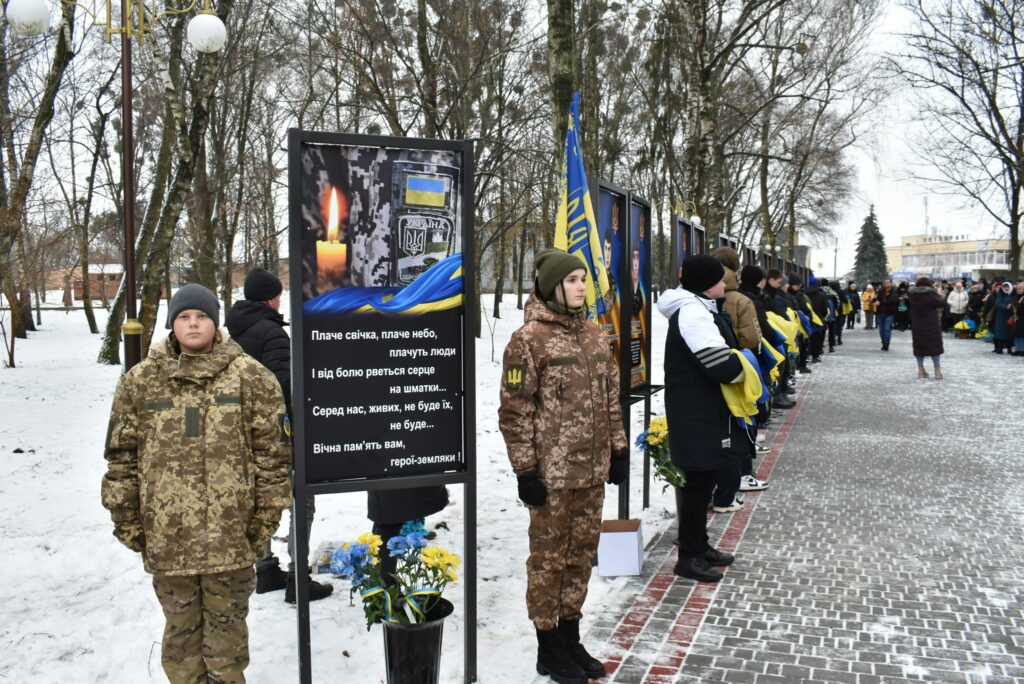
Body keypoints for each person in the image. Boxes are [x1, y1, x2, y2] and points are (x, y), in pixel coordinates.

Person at [102, 284, 291, 683]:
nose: (193, 324)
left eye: (202, 316)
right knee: (181, 645)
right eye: (184, 317)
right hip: (169, 540)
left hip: (231, 540)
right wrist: (128, 521)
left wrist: (263, 525)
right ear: (172, 324)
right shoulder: (141, 381)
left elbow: (272, 457)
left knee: (227, 649)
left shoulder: (251, 378)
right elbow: (122, 455)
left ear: (216, 322)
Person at [499, 248, 629, 684]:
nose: (580, 287)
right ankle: (548, 645)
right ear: (551, 285)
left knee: (579, 558)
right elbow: (514, 411)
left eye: (583, 279)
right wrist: (525, 472)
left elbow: (611, 398)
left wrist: (619, 449)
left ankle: (571, 637)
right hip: (551, 478)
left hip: (591, 472)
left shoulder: (594, 334)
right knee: (548, 562)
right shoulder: (528, 340)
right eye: (572, 280)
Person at [225, 268, 333, 603]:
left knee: (261, 498)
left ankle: (266, 568)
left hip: (244, 432)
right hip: (277, 432)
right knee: (302, 497)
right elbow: (282, 384)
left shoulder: (233, 331)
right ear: (271, 298)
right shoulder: (271, 333)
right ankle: (298, 578)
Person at [657, 255, 746, 584]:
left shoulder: (698, 308)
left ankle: (698, 545)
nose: (725, 284)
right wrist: (745, 368)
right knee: (697, 485)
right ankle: (689, 557)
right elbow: (719, 364)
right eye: (720, 280)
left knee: (704, 479)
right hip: (696, 410)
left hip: (699, 408)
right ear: (706, 283)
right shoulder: (693, 312)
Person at [908, 277, 945, 379]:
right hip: (931, 324)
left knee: (919, 348)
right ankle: (937, 371)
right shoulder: (931, 294)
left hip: (917, 324)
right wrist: (938, 293)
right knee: (935, 347)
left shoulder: (912, 295)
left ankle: (921, 371)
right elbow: (941, 303)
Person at [875, 279, 899, 350]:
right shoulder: (881, 291)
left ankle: (886, 344)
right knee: (881, 330)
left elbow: (892, 301)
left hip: (889, 313)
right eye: (885, 282)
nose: (886, 284)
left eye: (888, 282)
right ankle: (883, 342)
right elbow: (877, 299)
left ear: (891, 283)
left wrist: (881, 303)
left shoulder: (894, 291)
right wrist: (874, 301)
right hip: (880, 313)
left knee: (887, 329)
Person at [992, 280, 1015, 354]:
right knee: (1000, 333)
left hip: (1010, 316)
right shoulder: (1001, 294)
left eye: (1007, 287)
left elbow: (1016, 303)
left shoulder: (1014, 295)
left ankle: (1009, 349)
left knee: (1009, 333)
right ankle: (1000, 348)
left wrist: (1011, 307)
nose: (1006, 288)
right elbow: (998, 303)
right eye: (1004, 287)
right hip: (1001, 316)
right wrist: (1005, 307)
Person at [1012, 281, 1024, 356]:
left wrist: (1018, 309)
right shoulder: (1016, 297)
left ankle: (1022, 350)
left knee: (1022, 335)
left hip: (1022, 319)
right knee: (1017, 335)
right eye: (1018, 289)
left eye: (1021, 289)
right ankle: (1017, 349)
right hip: (1017, 319)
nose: (1019, 290)